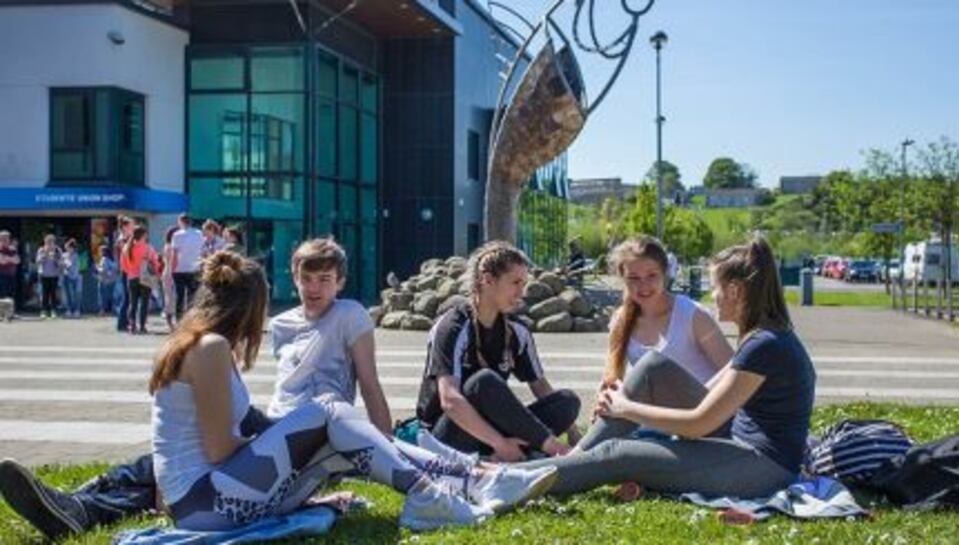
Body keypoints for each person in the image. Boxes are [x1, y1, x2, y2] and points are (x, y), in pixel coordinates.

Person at [0, 239, 556, 538]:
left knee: (333, 424)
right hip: (206, 507)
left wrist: (312, 450)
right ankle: (450, 489)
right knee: (329, 413)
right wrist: (304, 439)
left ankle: (464, 484)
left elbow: (225, 442)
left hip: (207, 501)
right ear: (251, 306)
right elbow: (222, 451)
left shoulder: (195, 344)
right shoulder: (212, 350)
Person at [516, 236, 816, 499]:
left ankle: (504, 479)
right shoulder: (764, 336)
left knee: (619, 454)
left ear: (736, 290)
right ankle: (573, 463)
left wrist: (625, 408)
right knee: (653, 367)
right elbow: (708, 397)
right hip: (738, 443)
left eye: (716, 288)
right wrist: (630, 401)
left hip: (762, 468)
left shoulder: (764, 344)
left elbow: (698, 424)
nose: (713, 296)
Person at [415, 241, 582, 462]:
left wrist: (575, 435)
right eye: (515, 283)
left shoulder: (517, 330)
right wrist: (500, 442)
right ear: (488, 279)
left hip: (494, 430)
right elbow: (450, 400)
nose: (521, 293)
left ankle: (511, 453)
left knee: (567, 402)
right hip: (448, 434)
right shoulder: (453, 326)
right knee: (483, 382)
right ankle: (544, 450)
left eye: (524, 284)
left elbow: (540, 386)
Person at [595, 236, 734, 437]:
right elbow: (610, 379)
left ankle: (567, 462)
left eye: (652, 275)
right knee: (609, 448)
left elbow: (733, 370)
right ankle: (567, 461)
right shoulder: (620, 320)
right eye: (634, 278)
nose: (643, 286)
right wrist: (601, 404)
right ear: (622, 278)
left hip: (701, 420)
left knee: (652, 367)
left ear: (666, 274)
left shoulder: (693, 315)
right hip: (655, 422)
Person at [120, 226, 159, 334]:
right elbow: (155, 262)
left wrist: (131, 271)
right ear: (143, 235)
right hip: (145, 277)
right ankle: (142, 326)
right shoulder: (148, 248)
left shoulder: (126, 248)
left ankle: (132, 325)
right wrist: (156, 273)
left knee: (133, 302)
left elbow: (123, 266)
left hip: (132, 277)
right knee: (144, 303)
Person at [169, 213, 203, 322]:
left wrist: (171, 269)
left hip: (179, 269)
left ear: (181, 222)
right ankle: (191, 319)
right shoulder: (199, 234)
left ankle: (179, 319)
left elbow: (174, 254)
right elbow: (201, 250)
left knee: (179, 295)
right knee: (192, 295)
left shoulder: (177, 235)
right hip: (194, 268)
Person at [114, 216, 136, 331]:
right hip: (126, 270)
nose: (134, 227)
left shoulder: (126, 238)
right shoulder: (122, 239)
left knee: (128, 297)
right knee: (127, 297)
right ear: (124, 227)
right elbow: (126, 256)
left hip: (128, 270)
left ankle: (125, 322)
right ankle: (121, 323)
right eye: (131, 225)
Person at [36, 234, 62, 319]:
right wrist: (46, 254)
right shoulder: (41, 250)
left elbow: (61, 263)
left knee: (53, 294)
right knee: (44, 294)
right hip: (44, 275)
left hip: (54, 275)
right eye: (48, 242)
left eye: (51, 242)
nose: (50, 244)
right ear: (45, 242)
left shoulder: (58, 250)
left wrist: (55, 259)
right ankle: (44, 311)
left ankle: (53, 311)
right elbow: (38, 261)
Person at [161, 226, 179, 330]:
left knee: (169, 297)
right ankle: (170, 321)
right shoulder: (171, 247)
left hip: (166, 272)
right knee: (172, 298)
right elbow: (174, 261)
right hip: (171, 273)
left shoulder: (166, 246)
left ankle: (170, 322)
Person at [61, 238, 83, 318]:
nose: (67, 248)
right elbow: (62, 265)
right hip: (66, 276)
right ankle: (69, 310)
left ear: (73, 248)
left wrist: (66, 265)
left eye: (69, 247)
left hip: (75, 277)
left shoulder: (76, 256)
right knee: (68, 295)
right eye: (66, 247)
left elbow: (73, 266)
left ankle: (77, 310)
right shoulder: (64, 255)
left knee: (77, 294)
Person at [95, 245, 119, 315]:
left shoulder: (103, 259)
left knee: (102, 296)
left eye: (100, 251)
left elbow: (103, 270)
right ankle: (114, 309)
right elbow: (116, 269)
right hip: (112, 280)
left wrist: (97, 268)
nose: (99, 253)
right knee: (111, 295)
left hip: (103, 280)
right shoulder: (112, 259)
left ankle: (102, 310)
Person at [0, 230, 20, 302]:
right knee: (3, 297)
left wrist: (6, 258)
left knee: (11, 296)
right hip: (1, 276)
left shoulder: (12, 249)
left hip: (11, 275)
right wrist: (11, 259)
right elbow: (2, 261)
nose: (6, 240)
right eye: (4, 238)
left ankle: (10, 313)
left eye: (7, 238)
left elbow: (17, 261)